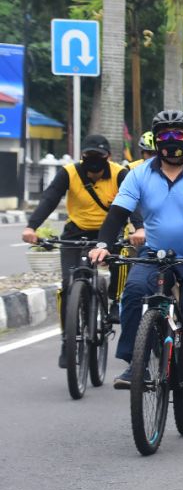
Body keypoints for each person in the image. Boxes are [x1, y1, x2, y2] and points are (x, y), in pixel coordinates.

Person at [88, 110, 183, 403]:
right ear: (156, 141)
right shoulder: (139, 173)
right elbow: (118, 213)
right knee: (133, 291)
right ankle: (136, 363)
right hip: (155, 255)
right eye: (164, 136)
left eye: (178, 135)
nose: (171, 141)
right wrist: (103, 243)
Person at [22, 134, 141, 367]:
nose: (93, 160)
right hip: (76, 232)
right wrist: (31, 226)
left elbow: (132, 201)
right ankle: (68, 340)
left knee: (123, 257)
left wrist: (139, 228)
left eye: (99, 156)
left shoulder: (120, 173)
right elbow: (50, 198)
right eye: (89, 156)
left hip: (109, 232)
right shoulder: (69, 172)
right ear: (82, 156)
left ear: (107, 157)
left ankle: (115, 301)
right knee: (67, 286)